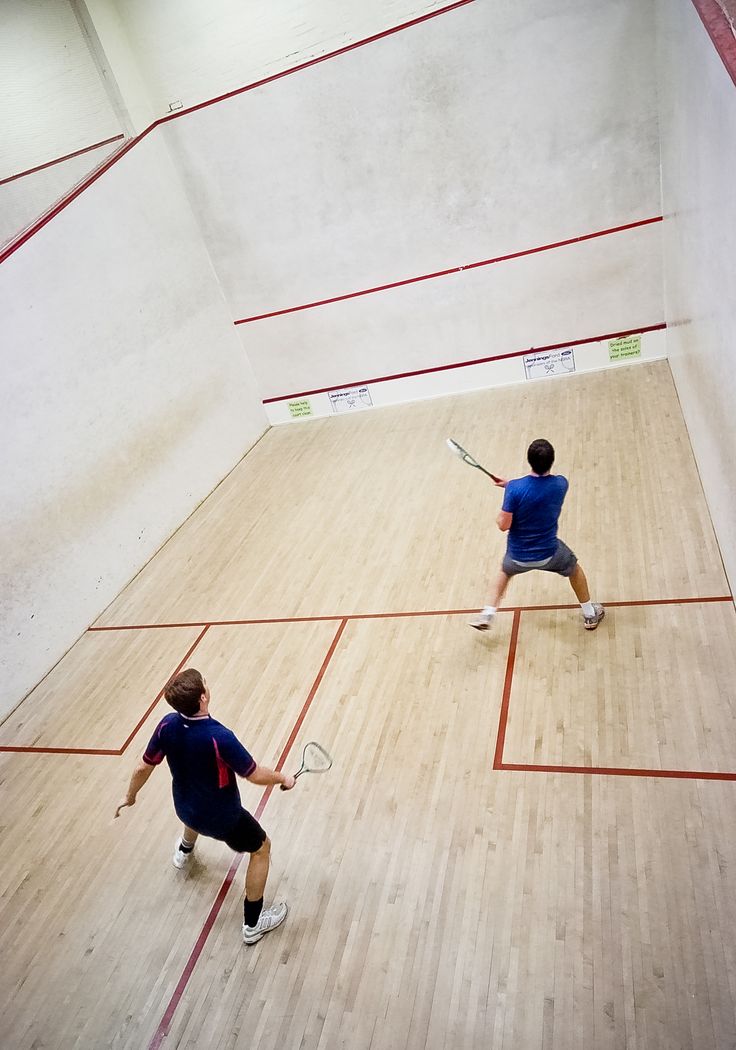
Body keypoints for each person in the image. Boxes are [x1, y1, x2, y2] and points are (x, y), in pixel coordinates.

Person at [114, 667, 295, 945]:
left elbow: (143, 766)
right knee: (261, 848)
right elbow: (254, 774)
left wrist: (130, 795)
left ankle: (184, 852)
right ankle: (253, 924)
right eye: (205, 685)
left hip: (184, 806)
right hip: (223, 819)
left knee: (194, 812)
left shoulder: (166, 725)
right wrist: (283, 777)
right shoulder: (219, 737)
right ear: (202, 698)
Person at [469, 438, 605, 631]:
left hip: (517, 557)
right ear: (552, 460)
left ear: (529, 460)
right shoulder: (561, 484)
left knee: (504, 573)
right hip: (550, 554)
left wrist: (510, 490)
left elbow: (503, 525)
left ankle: (488, 613)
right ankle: (590, 614)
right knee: (574, 570)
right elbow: (536, 492)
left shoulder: (515, 489)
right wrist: (510, 486)